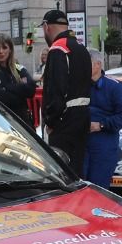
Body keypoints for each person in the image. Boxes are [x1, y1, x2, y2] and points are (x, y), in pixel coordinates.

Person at [39, 9, 92, 172]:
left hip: (64, 121)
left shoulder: (58, 49)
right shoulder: (81, 48)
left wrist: (51, 122)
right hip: (82, 118)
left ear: (47, 27)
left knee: (61, 172)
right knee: (76, 171)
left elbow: (56, 89)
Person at [85, 55, 122, 187]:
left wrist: (101, 125)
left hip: (103, 145)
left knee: (98, 189)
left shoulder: (114, 87)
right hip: (82, 144)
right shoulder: (79, 85)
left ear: (98, 64)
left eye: (86, 62)